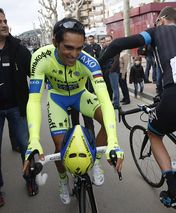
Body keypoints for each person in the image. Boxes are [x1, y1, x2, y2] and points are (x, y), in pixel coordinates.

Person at [98, 6, 176, 208]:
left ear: (161, 20)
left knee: (154, 134)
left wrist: (97, 65)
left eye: (156, 22)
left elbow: (117, 44)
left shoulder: (156, 32)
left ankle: (173, 190)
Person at [22, 18, 124, 205]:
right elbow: (34, 99)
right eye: (68, 47)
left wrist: (114, 142)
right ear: (55, 42)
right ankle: (63, 181)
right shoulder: (41, 57)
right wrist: (34, 139)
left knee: (109, 122)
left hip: (80, 95)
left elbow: (105, 100)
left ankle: (96, 161)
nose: (74, 54)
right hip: (57, 99)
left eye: (79, 48)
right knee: (60, 148)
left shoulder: (89, 62)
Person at [0, 8, 34, 206]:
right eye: (0, 22)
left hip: (17, 107)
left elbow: (35, 73)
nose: (4, 24)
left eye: (5, 20)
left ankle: (30, 179)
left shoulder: (19, 49)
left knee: (25, 145)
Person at [70, 35, 101, 136]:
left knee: (88, 119)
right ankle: (76, 140)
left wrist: (92, 89)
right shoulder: (69, 49)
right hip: (72, 91)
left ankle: (91, 142)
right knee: (74, 120)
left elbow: (90, 71)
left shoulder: (88, 48)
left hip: (85, 90)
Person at [98, 35, 120, 109]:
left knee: (115, 88)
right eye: (106, 41)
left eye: (109, 40)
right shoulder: (104, 49)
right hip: (106, 71)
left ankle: (116, 104)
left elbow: (116, 61)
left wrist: (111, 70)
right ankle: (111, 101)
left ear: (112, 40)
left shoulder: (115, 48)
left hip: (113, 71)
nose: (108, 42)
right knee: (109, 87)